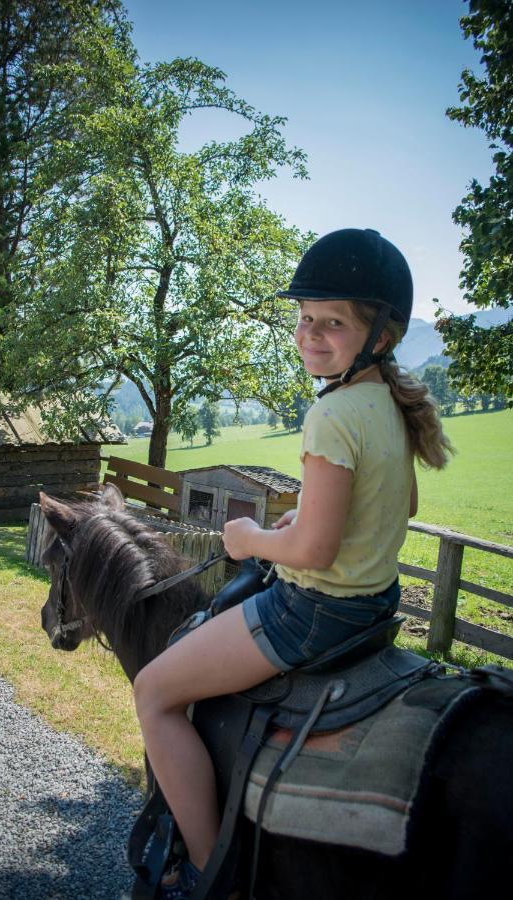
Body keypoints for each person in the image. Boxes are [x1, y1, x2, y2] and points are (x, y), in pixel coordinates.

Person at [133, 228, 453, 898]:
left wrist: (249, 538)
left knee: (155, 694)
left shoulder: (333, 415)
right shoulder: (387, 404)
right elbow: (390, 506)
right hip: (373, 604)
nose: (310, 335)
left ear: (381, 336)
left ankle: (202, 871)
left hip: (312, 610)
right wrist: (306, 513)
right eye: (304, 319)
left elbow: (312, 553)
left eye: (332, 323)